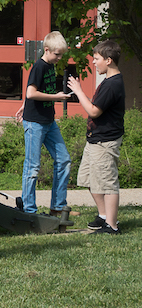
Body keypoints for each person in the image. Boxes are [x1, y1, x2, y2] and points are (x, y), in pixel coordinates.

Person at [67, 40, 125, 235]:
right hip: (95, 139)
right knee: (90, 179)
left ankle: (112, 226)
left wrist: (78, 91)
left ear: (108, 60)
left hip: (105, 142)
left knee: (107, 183)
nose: (93, 62)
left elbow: (93, 111)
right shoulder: (109, 82)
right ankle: (103, 216)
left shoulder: (112, 84)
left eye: (97, 59)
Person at [15, 31, 71, 216]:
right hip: (35, 123)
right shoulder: (39, 66)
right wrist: (56, 97)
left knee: (64, 160)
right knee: (33, 167)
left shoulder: (50, 66)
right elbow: (31, 92)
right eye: (57, 54)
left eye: (61, 54)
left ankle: (57, 206)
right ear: (46, 50)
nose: (59, 58)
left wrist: (24, 105)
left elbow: (33, 90)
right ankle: (29, 210)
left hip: (49, 121)